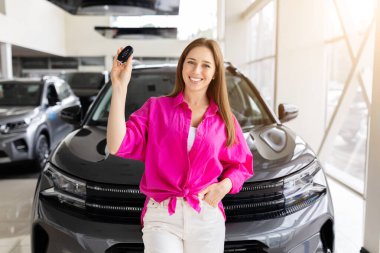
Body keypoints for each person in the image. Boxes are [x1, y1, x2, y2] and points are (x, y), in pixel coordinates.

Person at [107, 38, 254, 253]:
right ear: (182, 66)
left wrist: (224, 186)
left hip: (206, 214)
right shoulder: (156, 108)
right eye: (191, 62)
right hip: (162, 216)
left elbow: (242, 166)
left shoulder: (225, 119)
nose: (196, 70)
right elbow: (115, 144)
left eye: (206, 65)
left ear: (214, 73)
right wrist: (119, 87)